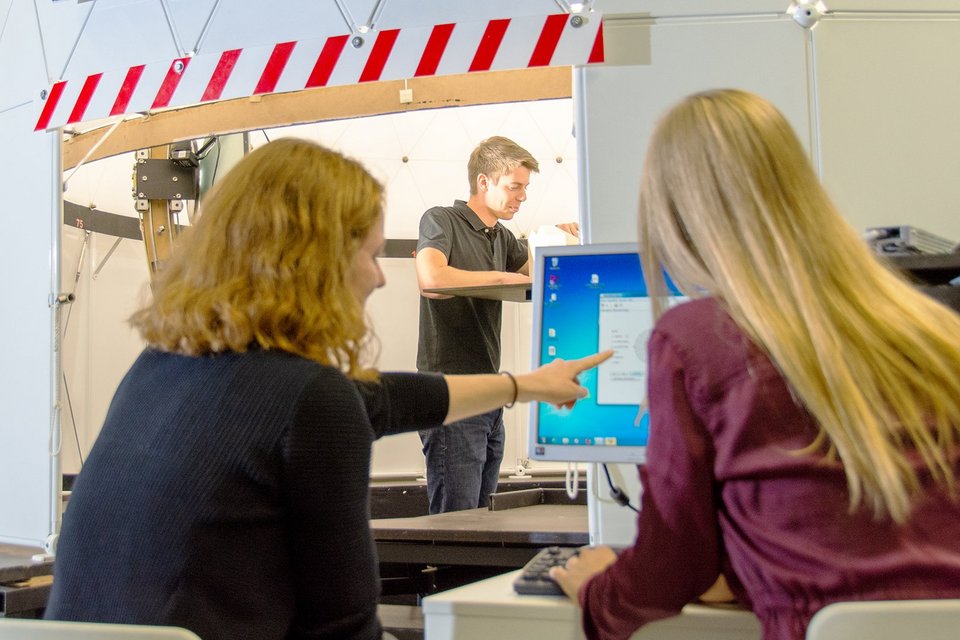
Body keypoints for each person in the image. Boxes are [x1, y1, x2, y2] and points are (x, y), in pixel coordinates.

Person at [44, 138, 609, 640]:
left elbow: (378, 398)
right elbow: (344, 624)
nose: (381, 274)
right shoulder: (309, 401)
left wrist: (523, 386)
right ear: (313, 263)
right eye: (367, 253)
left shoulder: (164, 364)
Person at [549, 89, 960, 640]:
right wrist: (749, 566)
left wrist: (599, 596)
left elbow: (672, 566)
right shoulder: (932, 327)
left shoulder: (696, 338)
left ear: (675, 216)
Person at [415, 135, 578, 514]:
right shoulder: (442, 220)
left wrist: (560, 237)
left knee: (480, 517)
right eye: (514, 186)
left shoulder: (501, 237)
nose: (522, 196)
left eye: (525, 188)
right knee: (457, 523)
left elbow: (542, 275)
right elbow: (432, 280)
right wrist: (508, 278)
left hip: (489, 394)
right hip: (452, 393)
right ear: (484, 182)